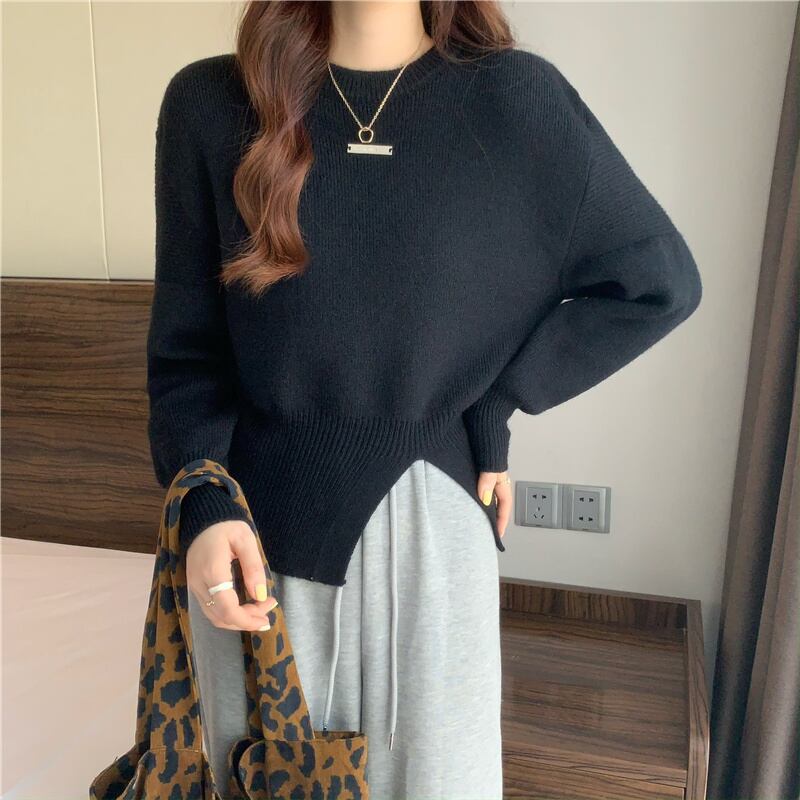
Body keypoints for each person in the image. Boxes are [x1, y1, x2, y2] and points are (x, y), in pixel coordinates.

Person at [146, 1, 703, 797]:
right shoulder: (210, 104)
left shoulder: (515, 99)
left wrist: (495, 404)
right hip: (248, 548)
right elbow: (185, 350)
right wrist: (201, 502)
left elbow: (656, 282)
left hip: (434, 536)